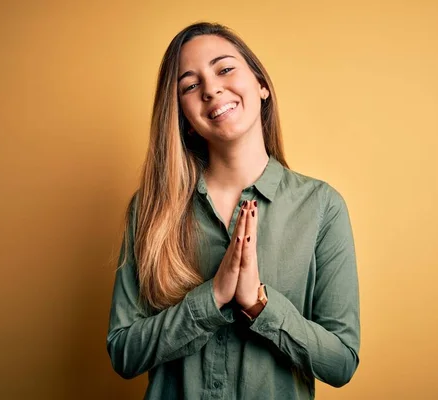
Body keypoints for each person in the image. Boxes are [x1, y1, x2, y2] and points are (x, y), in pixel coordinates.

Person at [106, 22, 360, 400]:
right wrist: (211, 299)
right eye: (190, 86)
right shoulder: (150, 209)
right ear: (183, 118)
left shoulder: (322, 207)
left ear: (262, 85)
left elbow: (341, 363)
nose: (211, 89)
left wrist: (260, 305)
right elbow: (123, 352)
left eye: (224, 69)